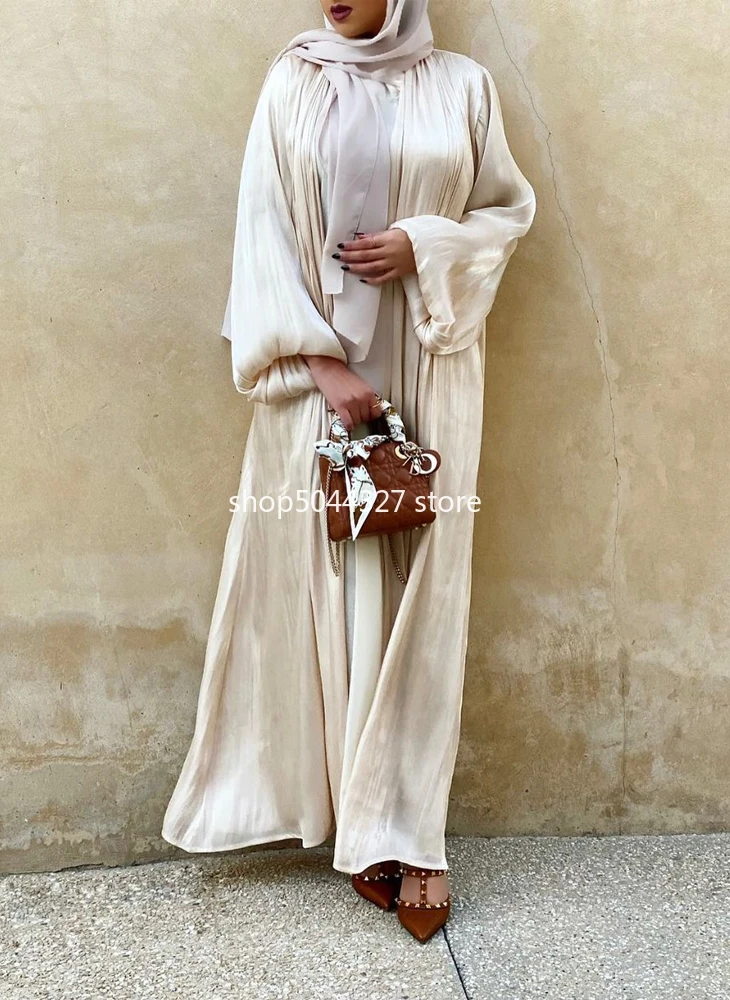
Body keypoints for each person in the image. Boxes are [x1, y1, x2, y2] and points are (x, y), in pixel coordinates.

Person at [161, 0, 536, 943]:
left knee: (422, 588)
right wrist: (324, 368)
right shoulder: (294, 81)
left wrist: (426, 245)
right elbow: (261, 232)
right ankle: (352, 818)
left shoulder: (463, 87)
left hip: (431, 358)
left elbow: (506, 213)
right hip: (316, 380)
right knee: (330, 583)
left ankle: (412, 832)